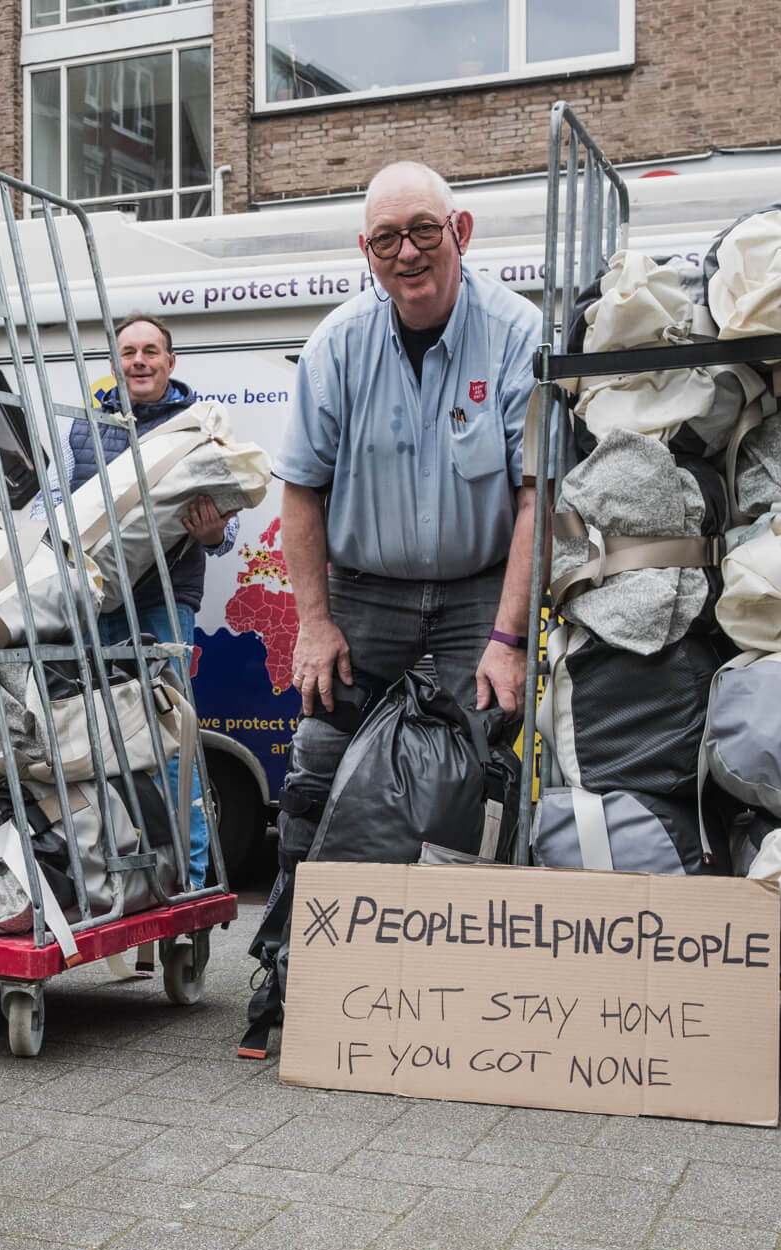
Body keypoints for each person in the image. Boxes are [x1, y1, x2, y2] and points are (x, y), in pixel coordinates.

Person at [238, 161, 541, 1059]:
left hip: (477, 593)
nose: (408, 253)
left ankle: (466, 997)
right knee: (318, 773)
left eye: (424, 231)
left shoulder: (518, 333)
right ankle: (288, 975)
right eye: (385, 238)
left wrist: (506, 637)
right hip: (362, 598)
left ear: (464, 231)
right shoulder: (337, 345)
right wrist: (316, 622)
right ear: (363, 251)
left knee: (479, 777)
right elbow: (301, 495)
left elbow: (537, 497)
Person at [35, 314, 240, 890]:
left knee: (172, 737)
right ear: (114, 364)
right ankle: (118, 872)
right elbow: (47, 507)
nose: (140, 361)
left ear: (171, 363)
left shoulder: (198, 428)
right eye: (129, 352)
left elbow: (228, 533)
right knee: (95, 738)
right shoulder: (83, 430)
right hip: (91, 607)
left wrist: (209, 535)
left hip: (163, 602)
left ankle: (192, 880)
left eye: (151, 351)